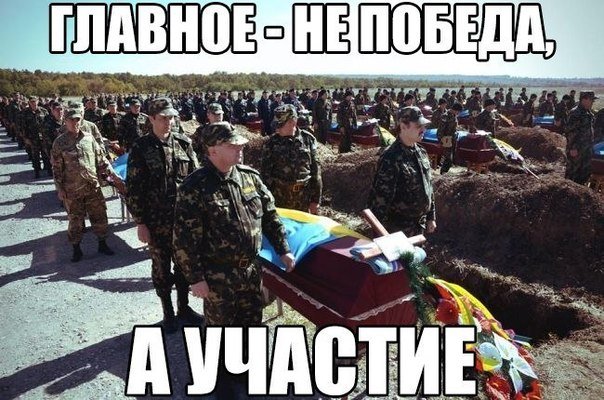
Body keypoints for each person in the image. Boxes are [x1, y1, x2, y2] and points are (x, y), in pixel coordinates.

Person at [172, 121, 295, 328]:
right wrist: (195, 278)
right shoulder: (194, 187)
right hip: (218, 278)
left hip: (251, 272)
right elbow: (184, 240)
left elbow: (270, 217)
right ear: (213, 150)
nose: (240, 148)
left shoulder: (250, 178)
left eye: (240, 144)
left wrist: (283, 249)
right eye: (232, 146)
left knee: (252, 326)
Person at [126, 97, 201, 332]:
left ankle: (183, 308)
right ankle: (168, 313)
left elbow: (196, 179)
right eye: (163, 118)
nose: (169, 122)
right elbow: (133, 188)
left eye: (171, 117)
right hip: (156, 221)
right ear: (151, 119)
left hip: (183, 221)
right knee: (161, 268)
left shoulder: (183, 143)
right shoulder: (141, 148)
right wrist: (140, 222)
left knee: (184, 266)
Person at [51, 107, 121, 262]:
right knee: (75, 221)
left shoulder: (89, 138)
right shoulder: (59, 143)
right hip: (72, 190)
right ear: (65, 121)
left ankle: (102, 244)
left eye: (77, 119)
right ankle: (76, 249)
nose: (75, 122)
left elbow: (101, 160)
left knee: (100, 216)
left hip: (92, 187)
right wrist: (59, 189)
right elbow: (56, 169)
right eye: (71, 120)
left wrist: (113, 176)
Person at [367, 106, 436, 237]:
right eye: (418, 126)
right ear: (403, 126)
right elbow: (380, 200)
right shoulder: (391, 157)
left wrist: (431, 216)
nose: (423, 130)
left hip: (418, 226)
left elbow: (428, 185)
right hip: (397, 230)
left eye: (424, 126)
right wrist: (380, 236)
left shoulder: (421, 152)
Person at [260, 104, 322, 214]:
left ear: (293, 122)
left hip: (303, 199)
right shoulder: (270, 144)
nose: (277, 128)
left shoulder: (308, 140)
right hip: (279, 199)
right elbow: (265, 175)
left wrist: (315, 200)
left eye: (280, 125)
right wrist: (266, 202)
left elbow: (316, 172)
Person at [565, 91, 597, 185]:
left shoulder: (588, 112)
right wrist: (573, 148)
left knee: (583, 174)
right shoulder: (575, 113)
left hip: (586, 148)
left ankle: (580, 191)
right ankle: (568, 191)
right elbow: (570, 131)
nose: (592, 103)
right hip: (577, 149)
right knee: (573, 173)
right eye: (591, 100)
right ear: (584, 99)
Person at [22, 96, 49, 178]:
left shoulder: (44, 111)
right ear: (29, 103)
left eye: (35, 101)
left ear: (37, 101)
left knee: (46, 154)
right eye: (31, 101)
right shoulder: (25, 112)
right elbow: (23, 126)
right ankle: (37, 171)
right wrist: (25, 138)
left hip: (44, 137)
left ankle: (48, 169)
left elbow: (49, 123)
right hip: (32, 138)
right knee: (35, 155)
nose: (33, 103)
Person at [437, 102, 462, 173]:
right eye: (458, 111)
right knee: (448, 159)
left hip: (453, 139)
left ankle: (445, 173)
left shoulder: (454, 115)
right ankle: (443, 173)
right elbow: (440, 130)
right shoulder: (445, 116)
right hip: (446, 139)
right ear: (455, 110)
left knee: (451, 158)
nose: (458, 113)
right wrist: (441, 140)